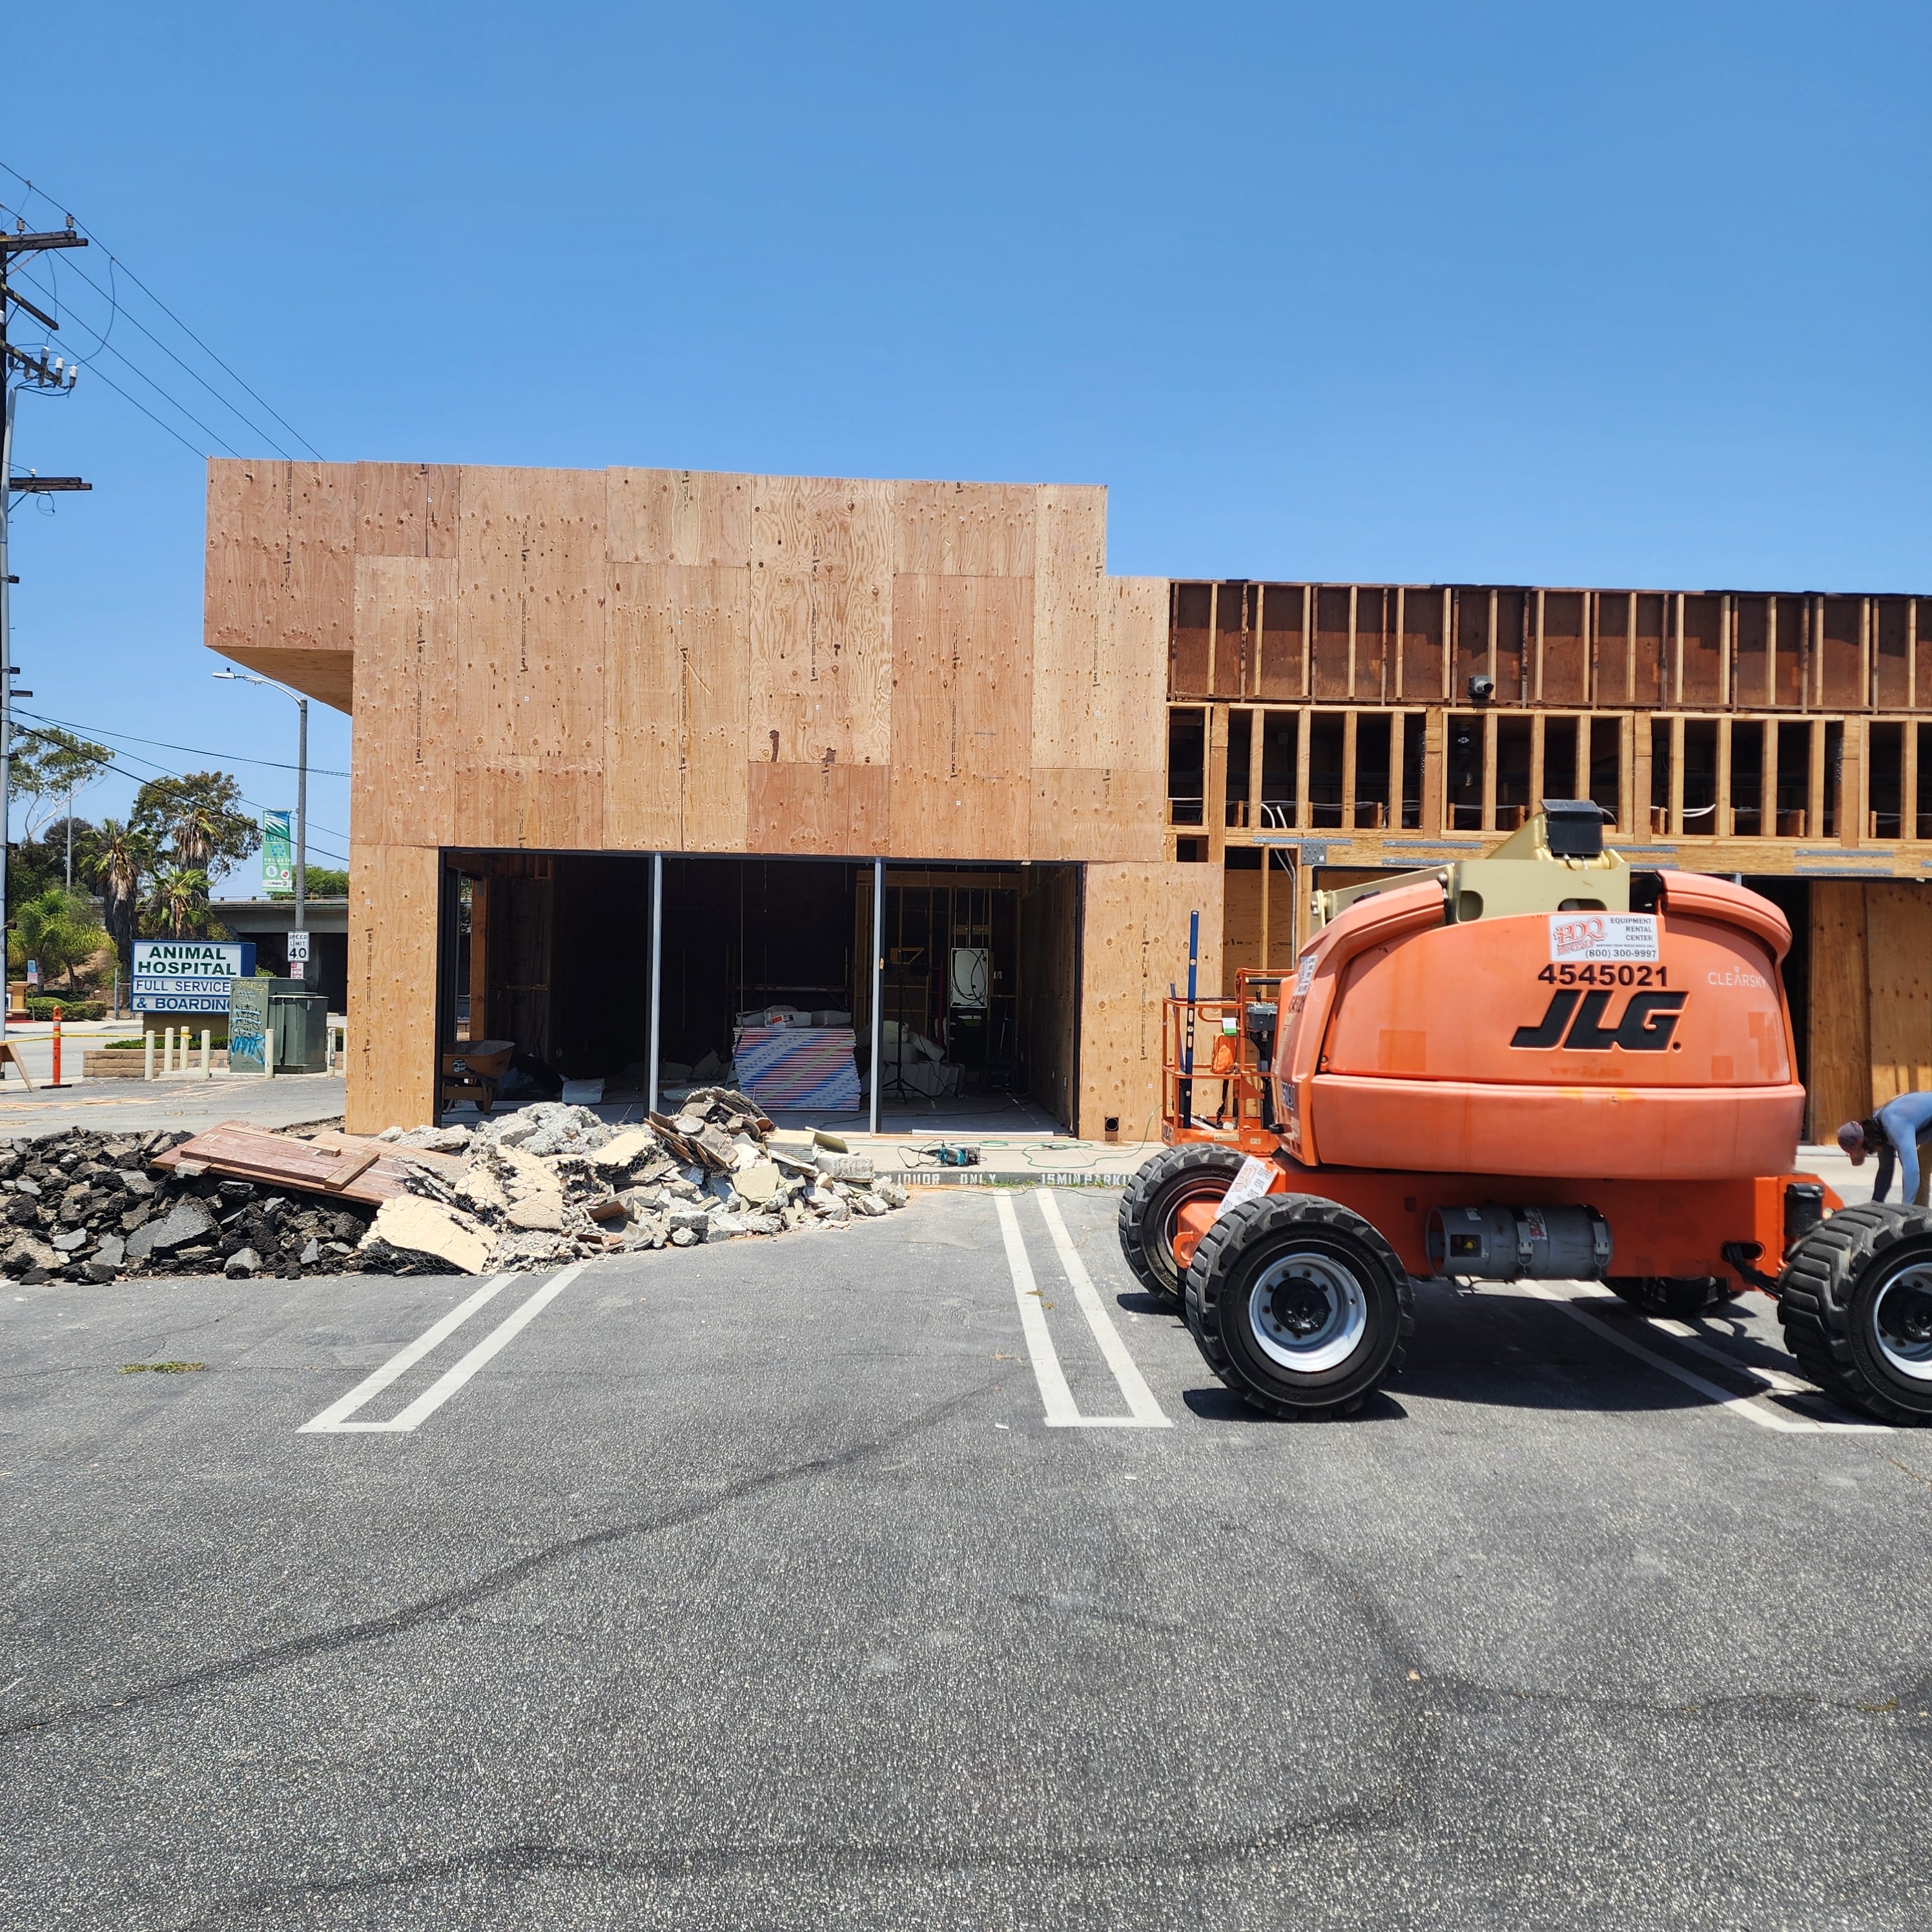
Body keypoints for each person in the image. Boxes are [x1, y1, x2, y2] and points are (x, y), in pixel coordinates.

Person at [1838, 1091, 1932, 1207]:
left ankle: (1914, 1215)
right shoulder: (1879, 1132)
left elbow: (1911, 1170)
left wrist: (1905, 1209)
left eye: (1868, 1150)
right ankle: (1918, 1219)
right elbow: (1885, 1172)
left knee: (1918, 1168)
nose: (1873, 1152)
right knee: (1921, 1165)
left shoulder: (1894, 1124)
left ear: (1867, 1141)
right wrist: (1875, 1204)